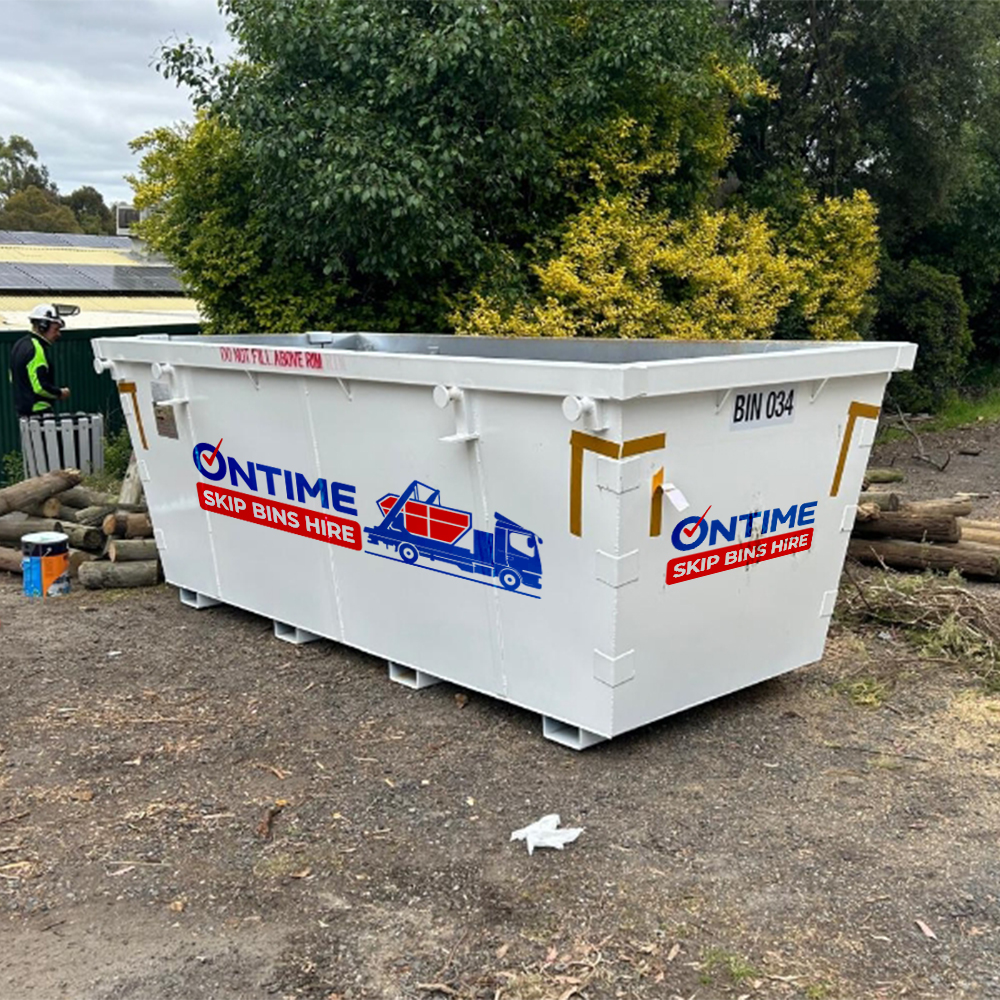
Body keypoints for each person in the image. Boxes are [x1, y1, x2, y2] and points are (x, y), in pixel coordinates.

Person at [9, 303, 71, 418]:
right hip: (39, 412)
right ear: (43, 326)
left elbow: (13, 378)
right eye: (56, 329)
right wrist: (60, 393)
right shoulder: (37, 349)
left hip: (23, 413)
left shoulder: (19, 345)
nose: (58, 334)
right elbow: (40, 387)